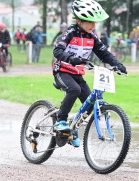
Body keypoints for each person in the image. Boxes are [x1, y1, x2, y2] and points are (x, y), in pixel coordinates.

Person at [53, 0, 127, 147]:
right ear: (79, 20)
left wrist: (118, 64)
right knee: (75, 89)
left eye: (94, 23)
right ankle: (61, 120)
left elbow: (103, 53)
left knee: (90, 101)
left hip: (77, 73)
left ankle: (73, 129)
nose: (93, 26)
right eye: (90, 22)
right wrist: (70, 58)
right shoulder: (70, 32)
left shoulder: (92, 36)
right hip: (62, 71)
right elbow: (57, 50)